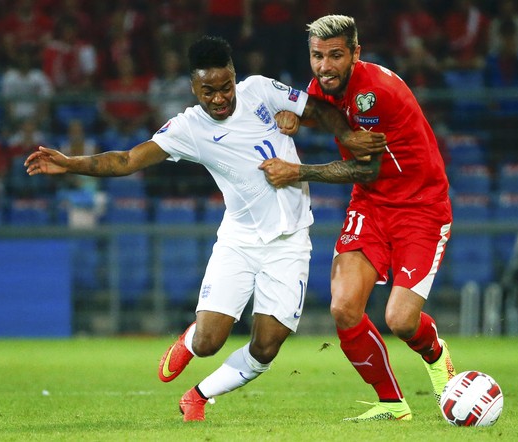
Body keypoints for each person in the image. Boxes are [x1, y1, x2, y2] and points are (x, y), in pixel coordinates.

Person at [24, 35, 385, 422]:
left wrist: (342, 133)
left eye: (225, 87)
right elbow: (127, 160)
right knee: (209, 341)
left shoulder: (261, 90)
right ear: (194, 88)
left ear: (234, 76)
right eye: (208, 91)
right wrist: (71, 163)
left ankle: (197, 397)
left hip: (291, 241)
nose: (219, 98)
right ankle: (190, 340)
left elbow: (318, 108)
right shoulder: (189, 128)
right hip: (239, 241)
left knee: (266, 348)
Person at [259, 15, 456, 422]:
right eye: (317, 56)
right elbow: (320, 109)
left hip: (420, 207)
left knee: (401, 320)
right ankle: (392, 405)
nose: (324, 66)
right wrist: (297, 116)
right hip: (370, 205)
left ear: (355, 54)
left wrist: (297, 171)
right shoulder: (325, 85)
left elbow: (366, 169)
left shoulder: (373, 95)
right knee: (344, 307)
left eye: (335, 55)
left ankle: (437, 357)